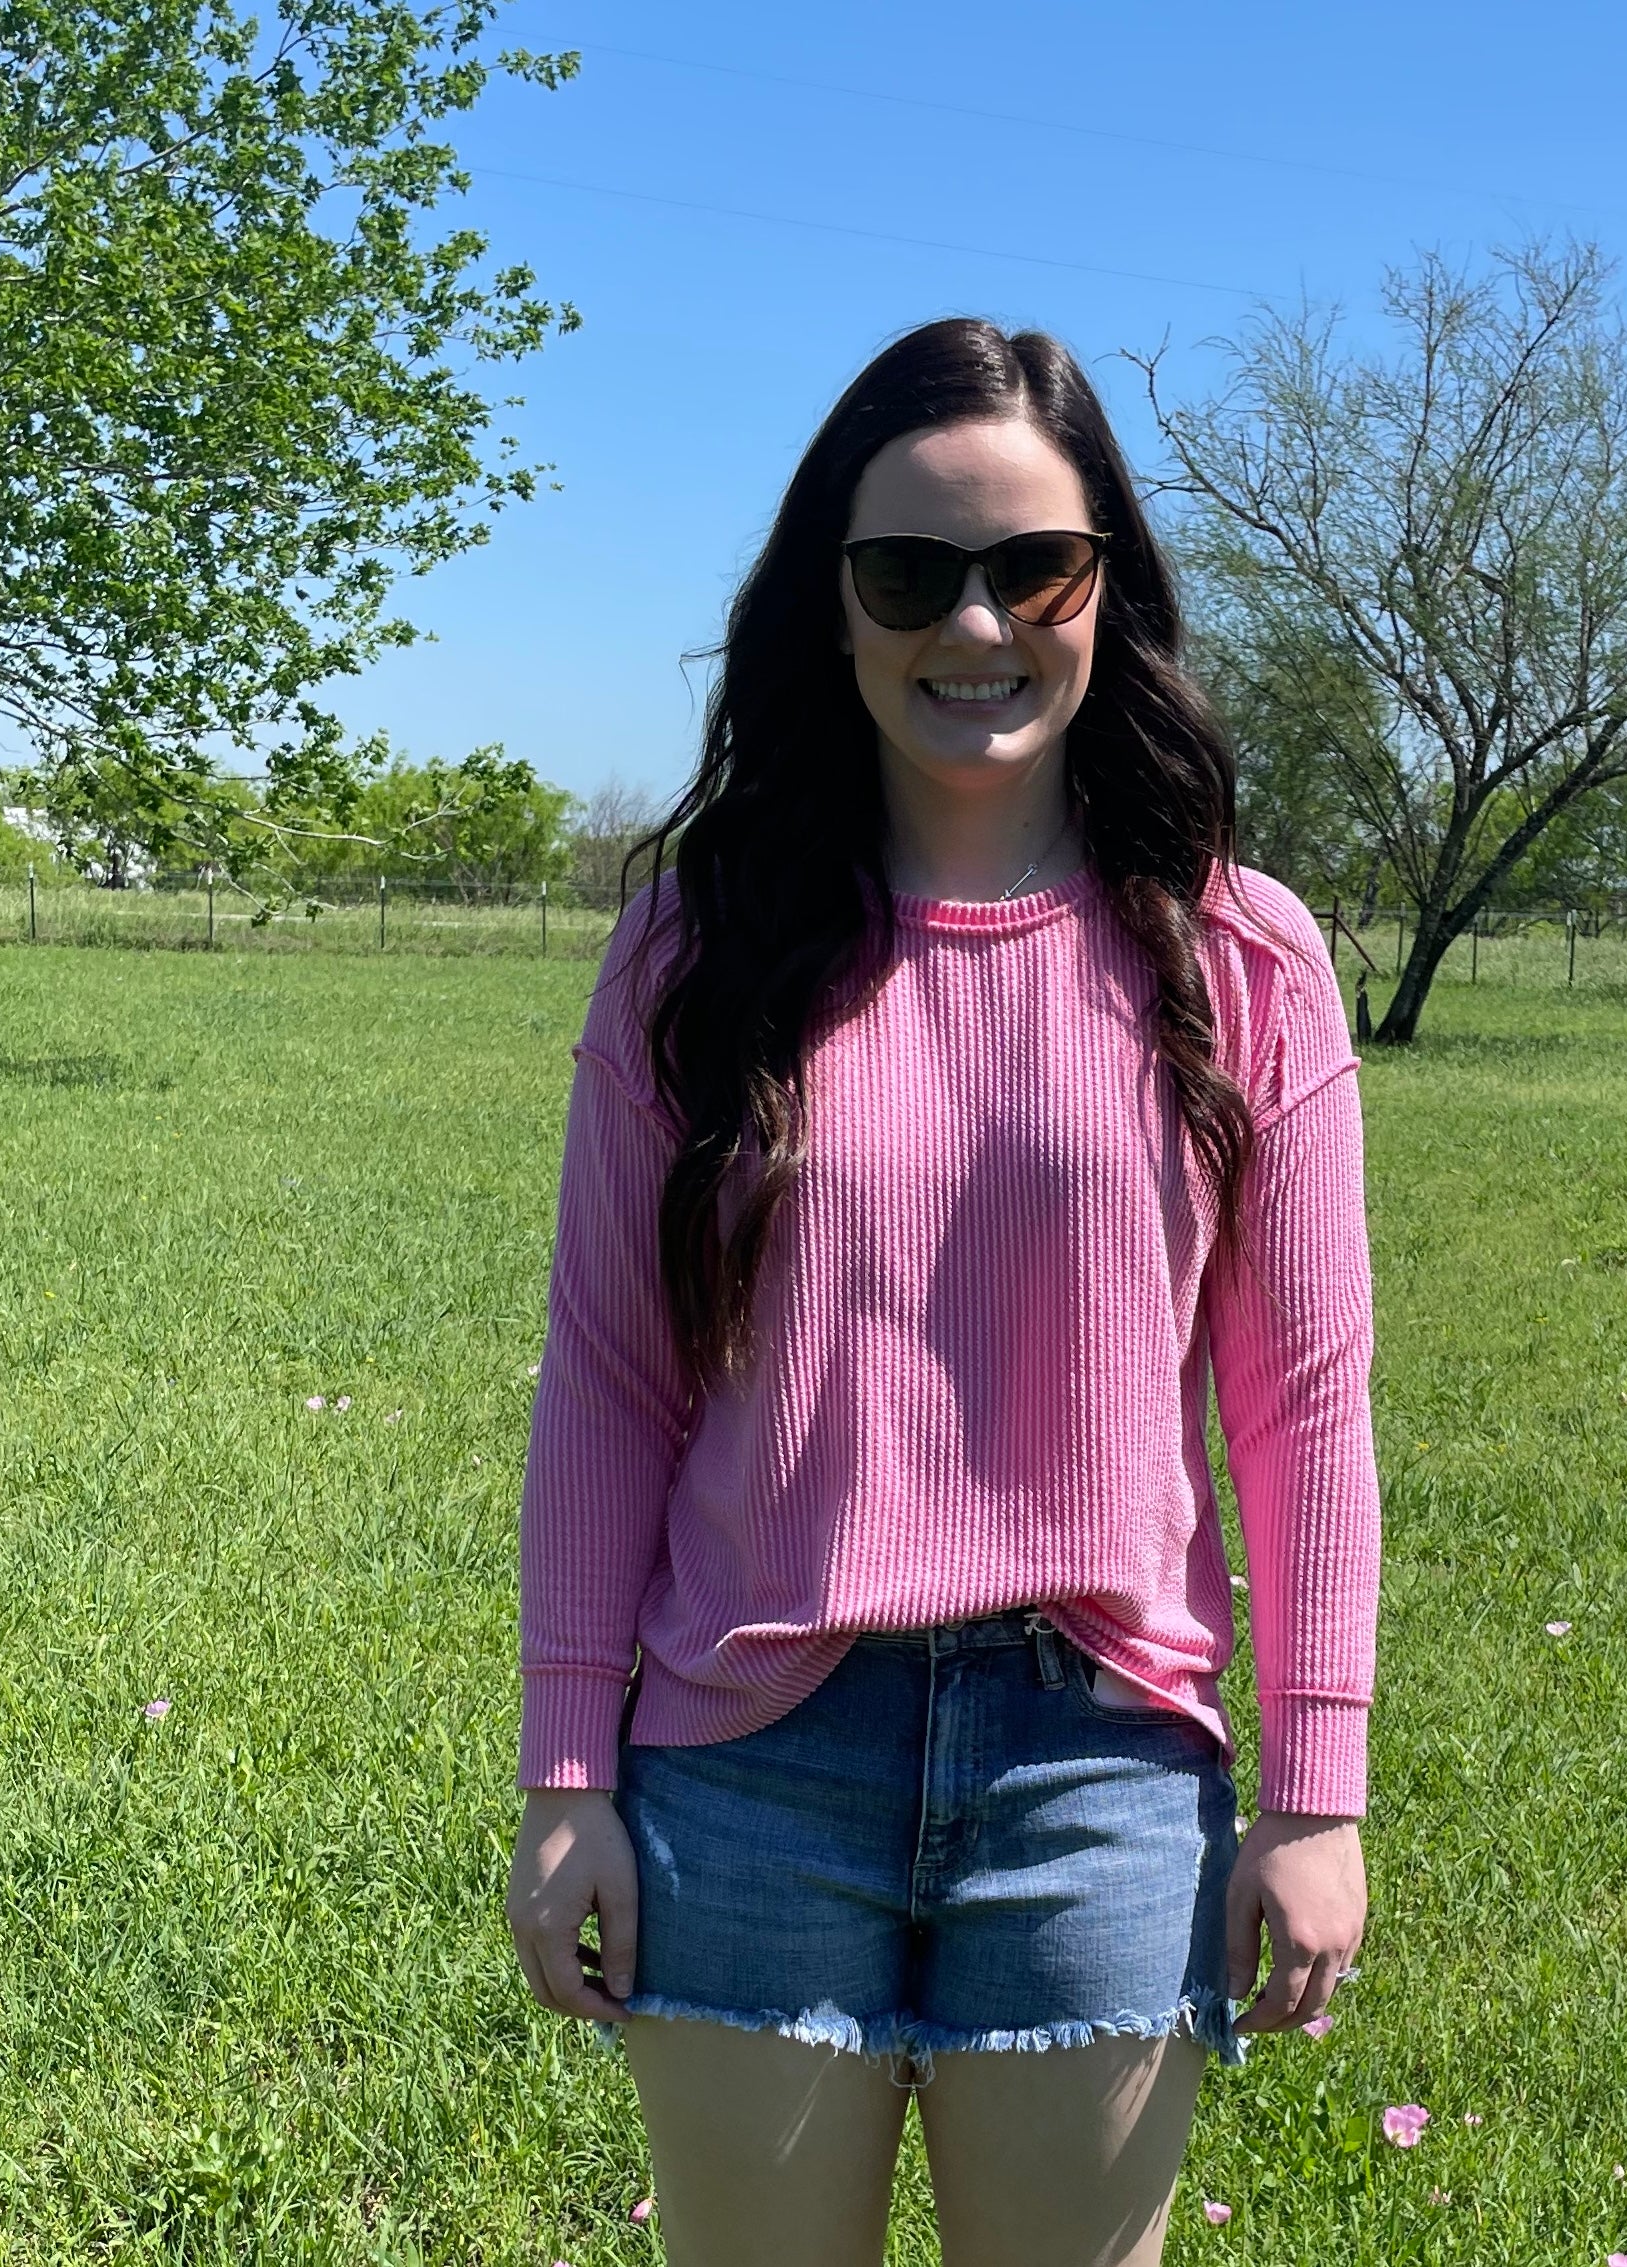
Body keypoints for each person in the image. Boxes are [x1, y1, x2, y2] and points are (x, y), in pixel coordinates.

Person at [506, 317, 1380, 2267]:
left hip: (1100, 1770)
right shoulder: (694, 954)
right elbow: (611, 1382)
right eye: (907, 572)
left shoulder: (1240, 958)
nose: (972, 623)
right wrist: (567, 1773)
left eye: (1031, 568)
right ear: (831, 604)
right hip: (747, 1768)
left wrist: (1314, 1792)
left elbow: (1302, 1406)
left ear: (1104, 589)